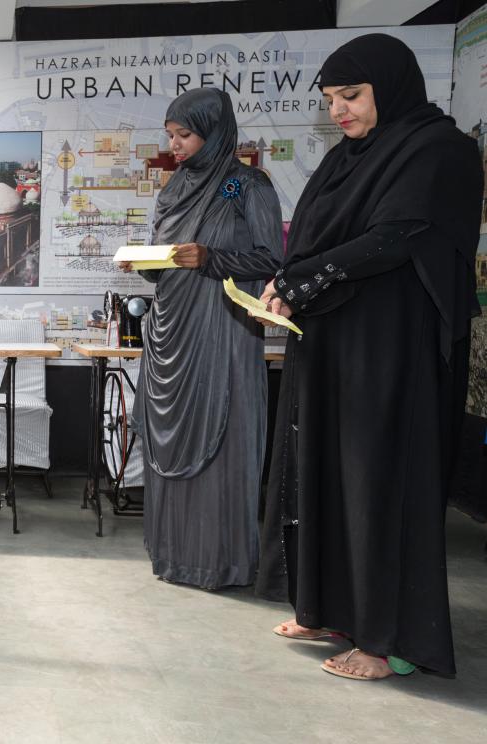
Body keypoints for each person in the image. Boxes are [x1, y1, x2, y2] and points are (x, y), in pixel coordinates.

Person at [256, 34, 481, 680]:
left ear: (391, 84)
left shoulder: (441, 150)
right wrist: (284, 280)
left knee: (381, 486)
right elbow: (315, 240)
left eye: (350, 95)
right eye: (330, 99)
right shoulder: (345, 160)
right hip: (331, 348)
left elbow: (395, 237)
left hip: (394, 357)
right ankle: (326, 607)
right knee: (325, 474)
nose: (339, 112)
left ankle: (389, 643)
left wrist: (307, 279)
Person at [121, 88, 282, 590]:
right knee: (167, 443)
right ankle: (174, 556)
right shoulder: (172, 190)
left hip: (223, 330)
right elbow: (168, 264)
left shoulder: (245, 186)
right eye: (170, 136)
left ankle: (219, 563)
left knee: (223, 437)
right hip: (170, 330)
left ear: (214, 133)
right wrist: (146, 264)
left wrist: (209, 258)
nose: (177, 145)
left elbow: (272, 260)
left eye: (185, 135)